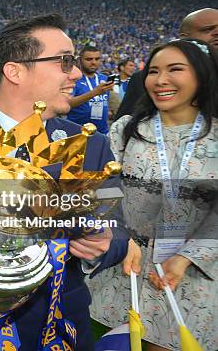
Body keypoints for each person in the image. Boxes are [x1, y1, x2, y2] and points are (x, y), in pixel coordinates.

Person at [0, 14, 129, 350]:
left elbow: (119, 230)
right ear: (15, 71)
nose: (75, 72)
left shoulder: (93, 146)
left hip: (62, 326)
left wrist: (103, 243)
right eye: (65, 61)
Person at [88, 39, 217, 351]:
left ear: (201, 76)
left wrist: (186, 259)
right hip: (121, 271)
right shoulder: (126, 130)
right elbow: (98, 188)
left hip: (189, 279)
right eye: (154, 71)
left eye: (175, 70)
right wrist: (117, 235)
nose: (161, 80)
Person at [116, 7, 218, 120]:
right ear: (184, 38)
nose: (217, 33)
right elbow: (128, 130)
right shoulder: (145, 80)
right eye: (208, 29)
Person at [67, 45, 115, 134]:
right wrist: (93, 93)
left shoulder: (104, 78)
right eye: (89, 59)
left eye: (97, 59)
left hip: (102, 132)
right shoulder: (74, 78)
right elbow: (68, 104)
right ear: (80, 60)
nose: (93, 62)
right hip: (78, 132)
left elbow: (104, 101)